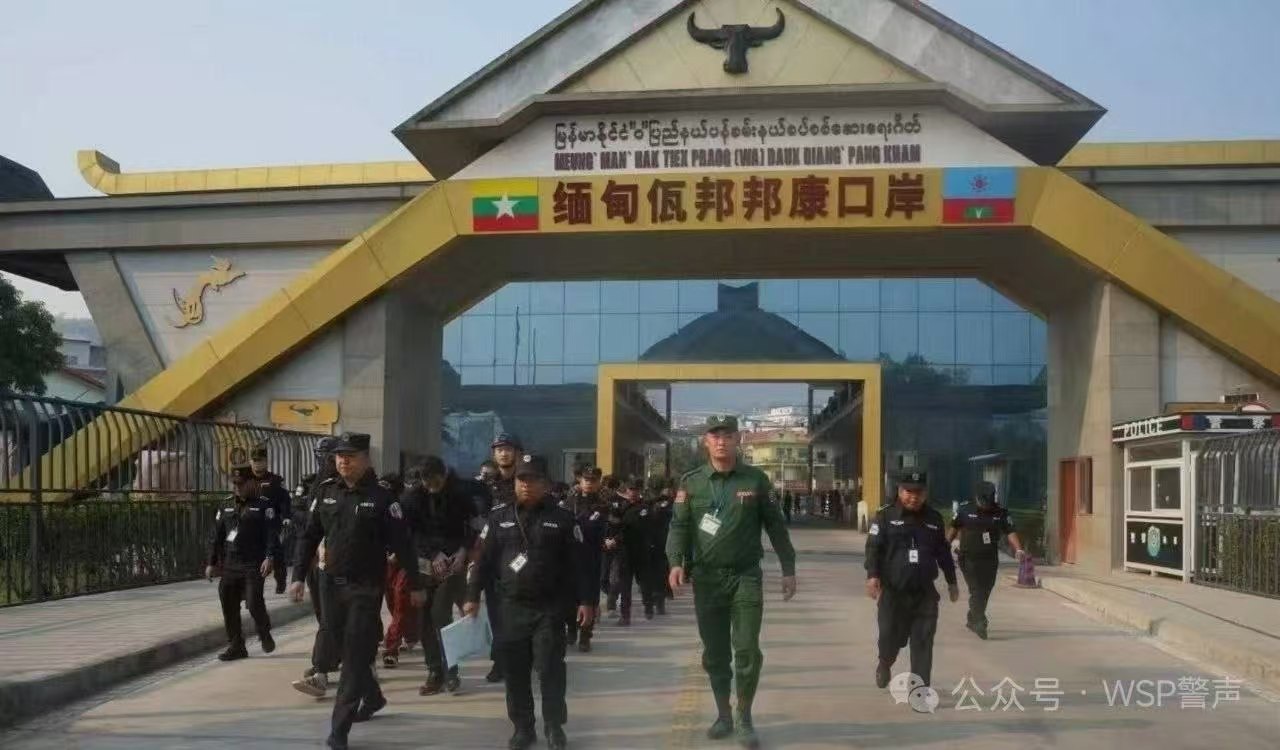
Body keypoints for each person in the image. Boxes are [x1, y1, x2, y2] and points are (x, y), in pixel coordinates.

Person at [666, 416, 797, 749]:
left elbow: (775, 526)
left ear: (738, 440)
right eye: (715, 436)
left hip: (745, 576)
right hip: (707, 578)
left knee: (747, 649)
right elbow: (679, 526)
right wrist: (675, 562)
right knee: (715, 653)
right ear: (705, 441)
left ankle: (744, 717)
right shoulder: (692, 482)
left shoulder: (756, 480)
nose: (721, 441)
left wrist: (788, 568)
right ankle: (723, 714)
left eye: (727, 436)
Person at [288, 433, 425, 750]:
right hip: (329, 584)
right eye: (339, 456)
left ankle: (339, 729)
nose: (343, 461)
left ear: (366, 459)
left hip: (365, 587)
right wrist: (297, 577)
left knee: (353, 655)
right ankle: (373, 697)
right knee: (340, 644)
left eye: (350, 456)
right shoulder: (326, 492)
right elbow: (309, 536)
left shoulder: (383, 499)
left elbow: (404, 544)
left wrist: (416, 584)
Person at [464, 453, 594, 750]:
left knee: (549, 667)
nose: (526, 485)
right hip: (510, 607)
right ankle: (523, 727)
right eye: (522, 479)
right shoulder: (499, 517)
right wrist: (471, 596)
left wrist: (586, 601)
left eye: (533, 479)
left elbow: (579, 565)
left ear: (546, 483)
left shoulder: (563, 519)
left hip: (549, 608)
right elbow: (482, 561)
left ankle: (553, 726)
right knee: (515, 671)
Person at [864, 470, 959, 690]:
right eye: (909, 491)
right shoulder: (885, 516)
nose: (914, 497)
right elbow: (873, 548)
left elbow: (943, 553)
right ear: (899, 491)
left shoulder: (934, 519)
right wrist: (872, 575)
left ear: (925, 493)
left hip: (924, 594)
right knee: (889, 638)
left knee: (923, 642)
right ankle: (885, 663)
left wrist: (952, 582)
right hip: (894, 593)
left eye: (919, 492)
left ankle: (920, 690)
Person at [401, 456, 480, 695]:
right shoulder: (412, 498)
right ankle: (434, 671)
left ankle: (451, 670)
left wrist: (463, 551)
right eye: (425, 481)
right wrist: (433, 554)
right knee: (426, 619)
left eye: (434, 480)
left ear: (444, 475)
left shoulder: (461, 494)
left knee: (441, 615)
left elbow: (473, 527)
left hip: (454, 562)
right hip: (425, 563)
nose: (429, 485)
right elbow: (409, 534)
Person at [206, 463, 279, 660]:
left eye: (241, 483)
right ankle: (236, 645)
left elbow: (272, 534)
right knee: (227, 601)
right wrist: (211, 562)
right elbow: (216, 535)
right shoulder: (226, 505)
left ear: (251, 483)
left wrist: (269, 557)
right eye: (235, 484)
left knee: (254, 603)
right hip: (231, 564)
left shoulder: (264, 505)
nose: (237, 487)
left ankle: (264, 632)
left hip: (253, 563)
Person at [292, 436, 341, 698]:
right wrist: (297, 576)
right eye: (323, 456)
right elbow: (300, 518)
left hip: (352, 564)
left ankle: (362, 663)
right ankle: (323, 668)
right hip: (319, 559)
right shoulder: (314, 485)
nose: (326, 461)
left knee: (354, 620)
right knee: (326, 615)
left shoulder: (360, 488)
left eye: (330, 456)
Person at [946, 480, 1026, 640]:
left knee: (986, 589)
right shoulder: (964, 509)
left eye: (989, 501)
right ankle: (979, 621)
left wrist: (1018, 549)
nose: (986, 505)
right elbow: (953, 529)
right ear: (976, 498)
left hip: (990, 558)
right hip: (968, 557)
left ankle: (972, 616)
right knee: (977, 589)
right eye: (983, 502)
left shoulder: (1001, 512)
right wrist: (944, 547)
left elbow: (1010, 531)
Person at [476, 432, 522, 683]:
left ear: (517, 453)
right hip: (492, 555)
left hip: (519, 553)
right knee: (496, 612)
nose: (503, 453)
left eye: (508, 449)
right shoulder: (484, 486)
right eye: (499, 449)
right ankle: (500, 661)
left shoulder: (525, 481)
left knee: (518, 610)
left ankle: (521, 657)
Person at [563, 466, 606, 652]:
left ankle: (586, 635)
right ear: (579, 480)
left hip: (591, 558)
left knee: (589, 598)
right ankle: (572, 628)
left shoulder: (602, 506)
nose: (589, 483)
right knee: (569, 597)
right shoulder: (568, 502)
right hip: (569, 558)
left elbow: (599, 530)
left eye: (593, 480)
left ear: (598, 483)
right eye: (586, 479)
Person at [609, 477, 659, 625]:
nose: (632, 492)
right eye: (630, 490)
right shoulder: (620, 507)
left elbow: (643, 525)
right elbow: (613, 524)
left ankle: (648, 606)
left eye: (635, 490)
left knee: (644, 583)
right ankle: (625, 616)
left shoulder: (645, 508)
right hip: (624, 552)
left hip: (641, 551)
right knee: (625, 586)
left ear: (639, 491)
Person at [249, 444, 292, 595]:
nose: (257, 464)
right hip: (251, 523)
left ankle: (281, 580)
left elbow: (284, 500)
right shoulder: (246, 480)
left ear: (266, 461)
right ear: (250, 462)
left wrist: (286, 516)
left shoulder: (275, 481)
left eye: (260, 460)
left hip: (271, 523)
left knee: (276, 553)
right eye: (254, 460)